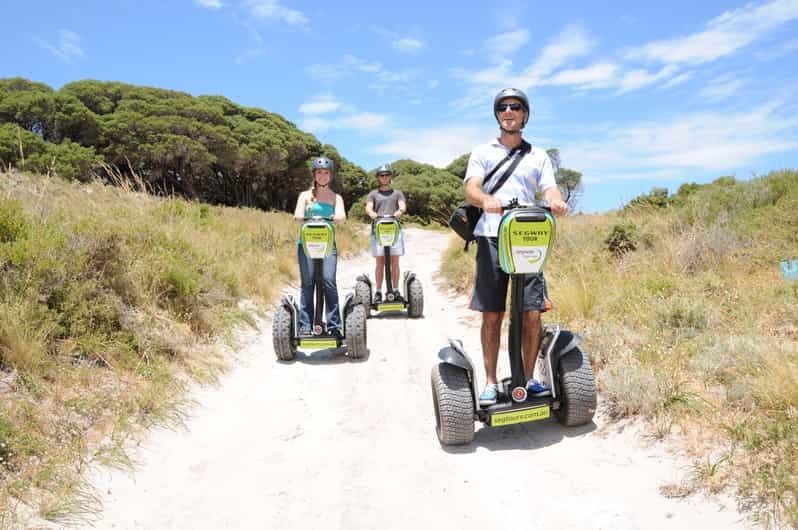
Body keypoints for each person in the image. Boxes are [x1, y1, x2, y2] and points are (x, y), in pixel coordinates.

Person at [463, 88, 569, 406]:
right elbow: (471, 188)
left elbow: (549, 190)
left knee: (532, 313)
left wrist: (556, 202)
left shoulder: (538, 156)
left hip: (527, 238)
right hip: (492, 235)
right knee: (493, 314)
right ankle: (492, 382)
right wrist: (486, 200)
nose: (509, 112)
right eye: (504, 107)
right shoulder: (483, 151)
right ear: (498, 114)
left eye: (516, 107)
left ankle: (529, 377)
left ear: (525, 115)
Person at [293, 156, 347, 337]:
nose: (322, 176)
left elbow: (341, 216)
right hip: (306, 243)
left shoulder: (335, 197)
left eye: (326, 172)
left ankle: (333, 325)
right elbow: (298, 215)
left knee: (329, 281)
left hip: (327, 244)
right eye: (319, 172)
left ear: (330, 175)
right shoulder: (305, 196)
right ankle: (305, 325)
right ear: (314, 175)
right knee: (308, 283)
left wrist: (337, 217)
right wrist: (301, 215)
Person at [365, 163, 407, 303]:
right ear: (378, 177)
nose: (384, 177)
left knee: (395, 261)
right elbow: (369, 208)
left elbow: (402, 205)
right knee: (380, 262)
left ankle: (395, 290)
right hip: (378, 229)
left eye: (387, 175)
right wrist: (372, 214)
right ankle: (378, 292)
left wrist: (399, 211)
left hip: (394, 229)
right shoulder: (373, 194)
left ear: (390, 176)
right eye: (382, 175)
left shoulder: (397, 193)